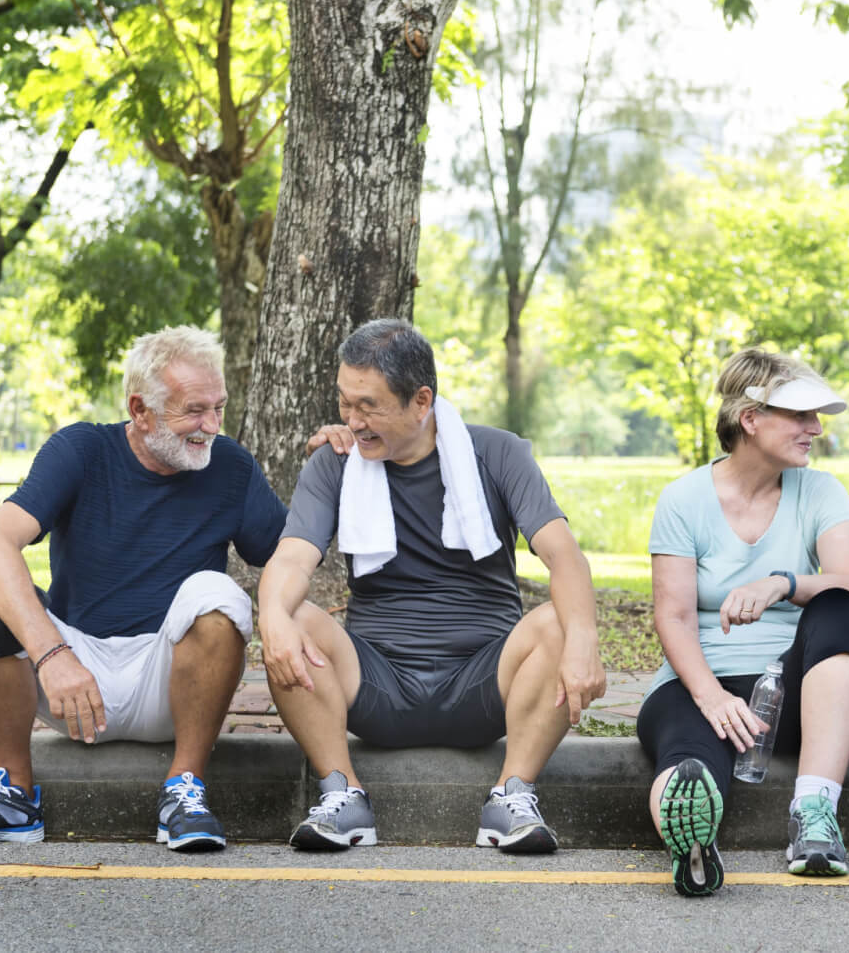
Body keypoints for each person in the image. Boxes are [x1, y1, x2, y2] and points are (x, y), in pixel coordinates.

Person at [0, 326, 286, 852]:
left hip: (172, 683)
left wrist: (340, 463)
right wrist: (52, 654)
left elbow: (288, 556)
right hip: (73, 677)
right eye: (194, 411)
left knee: (219, 593)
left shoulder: (230, 466)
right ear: (140, 410)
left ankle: (184, 790)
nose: (210, 426)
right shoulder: (82, 449)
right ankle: (15, 796)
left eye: (218, 408)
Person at [258, 319, 604, 854]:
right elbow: (291, 563)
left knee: (561, 622)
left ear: (422, 401)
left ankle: (512, 796)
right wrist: (273, 620)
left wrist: (583, 639)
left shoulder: (498, 454)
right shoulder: (337, 463)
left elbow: (564, 557)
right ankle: (341, 794)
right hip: (376, 684)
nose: (352, 420)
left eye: (368, 405)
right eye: (345, 403)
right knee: (292, 617)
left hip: (483, 683)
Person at [637, 348, 849, 896]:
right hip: (700, 682)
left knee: (840, 606)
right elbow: (672, 616)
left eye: (816, 417)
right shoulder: (684, 500)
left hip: (794, 695)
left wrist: (781, 583)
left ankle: (814, 815)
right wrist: (711, 697)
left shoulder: (819, 490)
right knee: (688, 762)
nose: (815, 429)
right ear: (751, 419)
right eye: (800, 416)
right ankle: (691, 845)